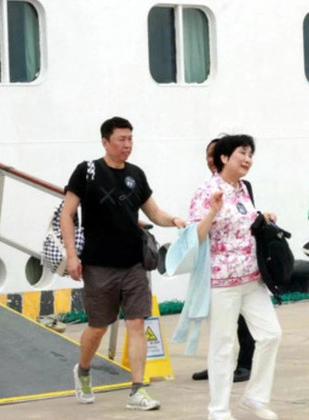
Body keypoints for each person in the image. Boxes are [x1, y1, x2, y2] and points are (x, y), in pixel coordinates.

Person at [61, 116, 187, 411]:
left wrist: (173, 221)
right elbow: (68, 214)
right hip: (98, 264)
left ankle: (137, 390)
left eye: (130, 139)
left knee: (137, 323)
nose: (127, 145)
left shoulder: (136, 174)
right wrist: (72, 255)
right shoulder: (87, 172)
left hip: (133, 262)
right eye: (121, 139)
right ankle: (83, 370)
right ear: (105, 142)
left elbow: (153, 212)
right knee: (98, 326)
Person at [189, 134, 282, 420]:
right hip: (222, 282)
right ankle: (218, 410)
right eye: (242, 153)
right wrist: (213, 212)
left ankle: (254, 399)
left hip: (252, 279)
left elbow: (242, 222)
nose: (247, 159)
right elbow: (194, 237)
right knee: (223, 346)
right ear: (224, 158)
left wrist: (261, 218)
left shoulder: (243, 189)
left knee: (271, 335)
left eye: (250, 154)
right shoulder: (207, 191)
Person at [192, 139, 255, 383]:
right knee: (221, 330)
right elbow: (198, 231)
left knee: (248, 324)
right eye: (208, 155)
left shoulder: (243, 186)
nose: (211, 159)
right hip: (219, 271)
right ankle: (220, 367)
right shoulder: (207, 190)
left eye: (214, 154)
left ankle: (245, 364)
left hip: (245, 270)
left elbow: (246, 218)